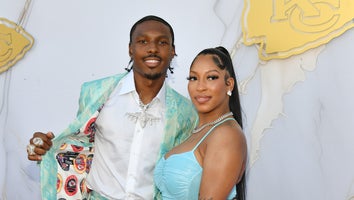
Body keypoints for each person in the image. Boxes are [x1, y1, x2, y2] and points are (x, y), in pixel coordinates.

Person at [26, 15, 197, 200]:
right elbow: (80, 145)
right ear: (130, 49)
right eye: (143, 41)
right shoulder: (96, 93)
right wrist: (46, 146)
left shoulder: (186, 113)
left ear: (173, 51)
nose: (153, 48)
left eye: (162, 42)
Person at [154, 46, 247, 200]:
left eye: (211, 77)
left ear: (229, 84)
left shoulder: (226, 135)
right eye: (193, 78)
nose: (200, 87)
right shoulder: (197, 130)